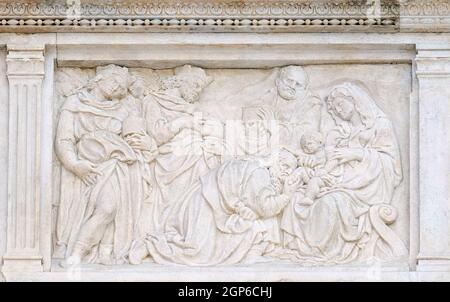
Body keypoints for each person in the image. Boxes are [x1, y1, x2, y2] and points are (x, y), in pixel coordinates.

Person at [279, 81, 406, 265]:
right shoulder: (340, 132)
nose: (338, 110)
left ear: (355, 101)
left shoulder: (379, 125)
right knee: (296, 196)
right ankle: (303, 250)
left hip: (365, 188)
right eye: (335, 108)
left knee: (331, 202)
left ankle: (327, 253)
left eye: (341, 104)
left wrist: (357, 153)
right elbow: (327, 158)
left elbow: (390, 163)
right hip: (340, 180)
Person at [54, 64, 155, 266]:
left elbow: (137, 136)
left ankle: (88, 253)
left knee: (110, 209)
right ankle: (82, 253)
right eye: (114, 80)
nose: (117, 87)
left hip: (117, 166)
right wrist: (74, 165)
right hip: (86, 166)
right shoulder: (75, 103)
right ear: (100, 78)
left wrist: (148, 145)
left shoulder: (124, 108)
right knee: (107, 209)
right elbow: (64, 140)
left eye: (121, 87)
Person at [129, 150, 298, 266]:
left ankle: (252, 256)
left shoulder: (254, 167)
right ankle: (151, 245)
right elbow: (265, 207)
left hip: (209, 199)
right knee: (197, 252)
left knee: (250, 229)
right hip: (208, 202)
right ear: (277, 163)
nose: (287, 174)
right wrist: (287, 194)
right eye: (286, 167)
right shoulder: (260, 173)